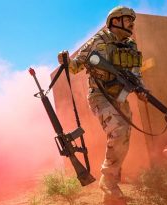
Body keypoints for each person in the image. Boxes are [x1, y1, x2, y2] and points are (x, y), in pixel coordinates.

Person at [58, 6, 146, 205]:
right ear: (115, 21)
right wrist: (65, 60)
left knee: (124, 137)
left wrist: (141, 90)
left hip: (120, 96)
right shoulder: (98, 41)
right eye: (127, 19)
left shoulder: (131, 46)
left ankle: (111, 191)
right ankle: (108, 180)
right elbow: (75, 67)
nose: (132, 23)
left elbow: (136, 74)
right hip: (99, 94)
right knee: (119, 130)